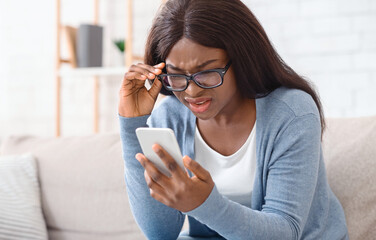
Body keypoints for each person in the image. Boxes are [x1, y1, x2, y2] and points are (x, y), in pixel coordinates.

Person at [118, 0, 348, 239]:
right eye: (176, 76)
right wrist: (131, 125)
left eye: (206, 72)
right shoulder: (171, 116)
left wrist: (205, 204)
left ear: (242, 60)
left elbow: (285, 231)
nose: (191, 92)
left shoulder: (291, 113)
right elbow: (160, 233)